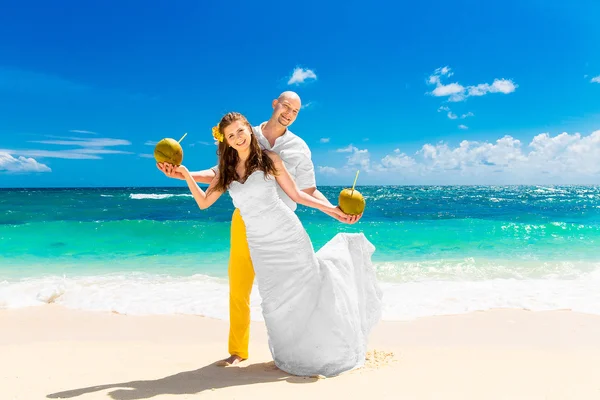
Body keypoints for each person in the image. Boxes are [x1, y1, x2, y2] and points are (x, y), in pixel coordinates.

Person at [157, 91, 362, 367]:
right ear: (274, 104)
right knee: (240, 288)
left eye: (295, 111)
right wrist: (184, 173)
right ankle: (238, 350)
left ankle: (309, 347)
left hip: (282, 224)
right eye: (285, 106)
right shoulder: (243, 130)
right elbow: (219, 174)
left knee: (293, 289)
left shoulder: (297, 148)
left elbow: (306, 190)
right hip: (246, 222)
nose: (288, 113)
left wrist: (335, 212)